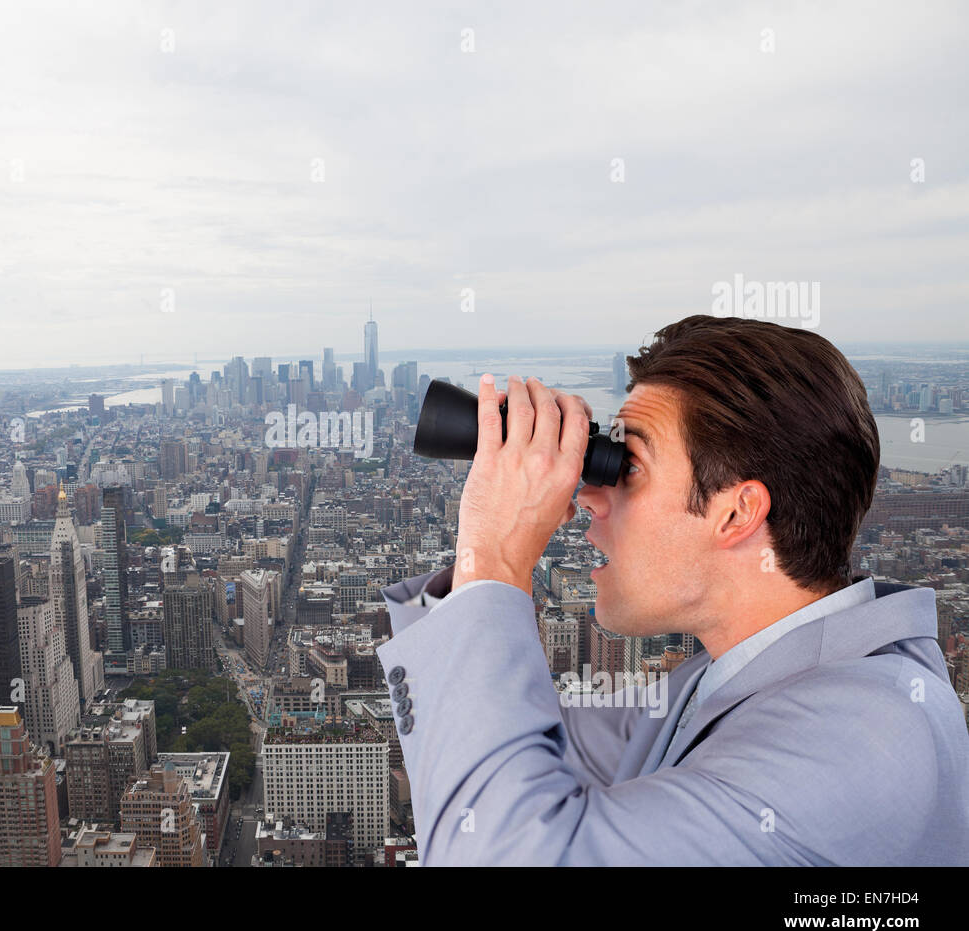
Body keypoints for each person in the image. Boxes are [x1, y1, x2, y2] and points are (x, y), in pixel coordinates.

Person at [378, 314, 969, 865]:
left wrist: (499, 554)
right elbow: (519, 753)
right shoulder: (723, 682)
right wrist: (478, 559)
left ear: (736, 514)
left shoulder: (866, 736)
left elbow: (503, 849)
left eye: (627, 466)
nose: (587, 495)